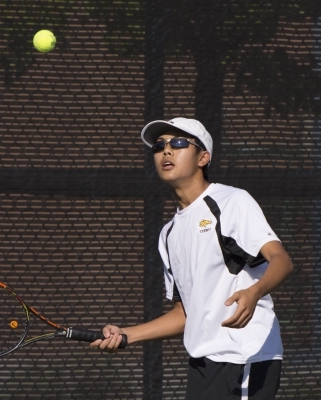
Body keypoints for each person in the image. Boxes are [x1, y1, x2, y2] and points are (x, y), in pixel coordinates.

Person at [90, 117, 294, 400]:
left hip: (244, 356)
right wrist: (127, 334)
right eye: (159, 145)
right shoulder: (169, 233)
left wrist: (254, 291)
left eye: (179, 143)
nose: (167, 151)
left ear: (203, 157)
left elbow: (281, 259)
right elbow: (186, 313)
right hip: (202, 363)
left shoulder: (231, 201)